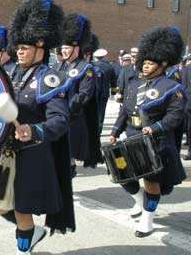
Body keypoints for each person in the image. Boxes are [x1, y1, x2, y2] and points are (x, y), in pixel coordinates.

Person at [0, 0, 75, 255]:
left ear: (41, 47)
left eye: (25, 47)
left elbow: (60, 121)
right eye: (18, 47)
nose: (19, 51)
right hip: (8, 153)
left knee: (22, 208)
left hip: (33, 155)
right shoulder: (11, 73)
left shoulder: (50, 79)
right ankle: (32, 231)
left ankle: (23, 248)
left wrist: (33, 130)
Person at [110, 26, 186, 237]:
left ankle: (147, 219)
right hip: (131, 135)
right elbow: (125, 109)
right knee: (122, 175)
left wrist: (155, 127)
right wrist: (116, 129)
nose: (145, 66)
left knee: (151, 181)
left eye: (150, 63)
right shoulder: (134, 83)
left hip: (156, 140)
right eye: (144, 61)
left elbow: (175, 115)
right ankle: (139, 200)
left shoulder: (172, 87)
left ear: (162, 64)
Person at [53, 13, 101, 174]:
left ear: (77, 48)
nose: (64, 51)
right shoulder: (58, 67)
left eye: (68, 48)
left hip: (72, 118)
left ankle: (67, 185)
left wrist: (66, 106)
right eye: (63, 47)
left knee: (68, 156)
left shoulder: (85, 68)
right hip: (55, 116)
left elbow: (84, 95)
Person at [93, 48, 117, 133]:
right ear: (104, 56)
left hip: (92, 93)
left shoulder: (91, 66)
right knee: (101, 113)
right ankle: (98, 131)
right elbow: (114, 81)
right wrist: (114, 92)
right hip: (104, 93)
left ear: (95, 57)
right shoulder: (109, 67)